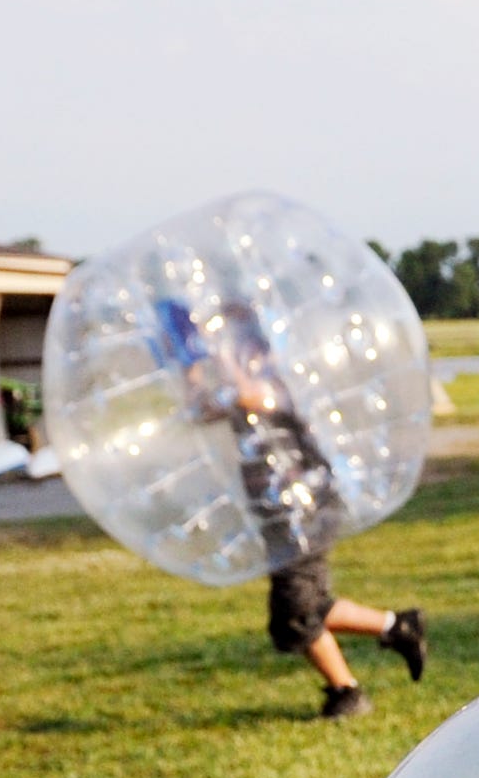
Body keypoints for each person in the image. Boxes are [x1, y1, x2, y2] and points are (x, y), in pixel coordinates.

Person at [155, 294, 426, 719]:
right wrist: (190, 364)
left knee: (296, 612)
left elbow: (246, 396)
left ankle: (348, 691)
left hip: (306, 509)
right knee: (307, 605)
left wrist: (212, 341)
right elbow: (199, 410)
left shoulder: (271, 386)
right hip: (282, 512)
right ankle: (398, 628)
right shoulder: (239, 392)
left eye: (232, 349)